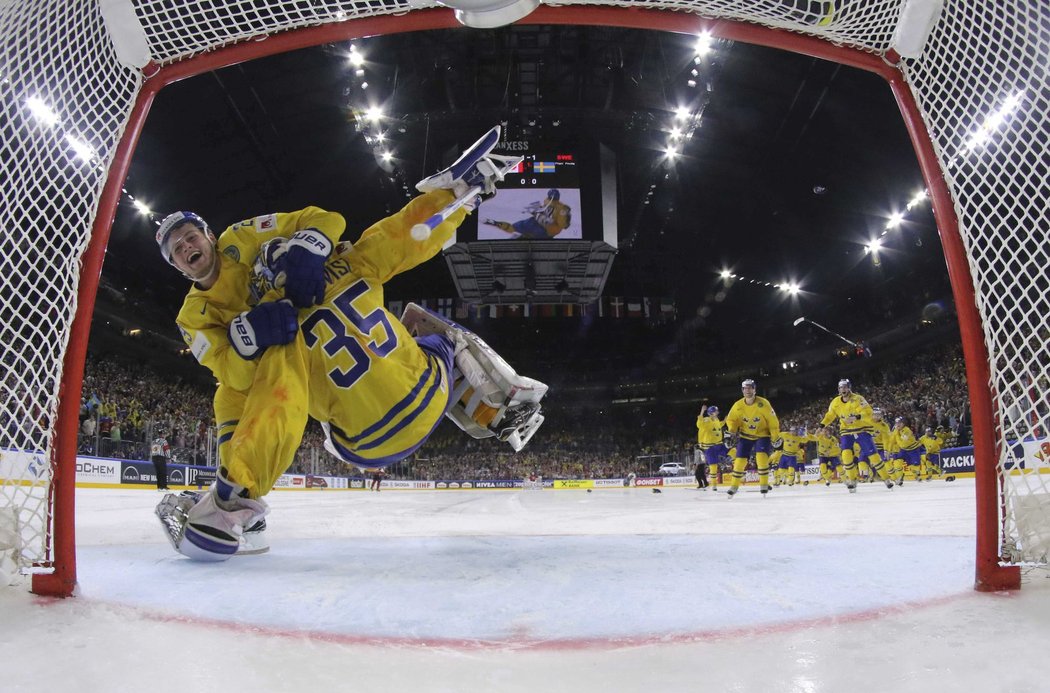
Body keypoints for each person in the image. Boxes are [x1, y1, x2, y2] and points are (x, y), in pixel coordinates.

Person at [154, 125, 546, 561]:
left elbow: (264, 394)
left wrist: (251, 339)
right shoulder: (346, 261)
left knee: (254, 392)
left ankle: (234, 502)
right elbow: (400, 236)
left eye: (189, 236)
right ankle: (500, 403)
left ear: (209, 237)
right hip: (428, 397)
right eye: (176, 248)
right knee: (422, 323)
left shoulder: (271, 332)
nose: (186, 245)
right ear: (176, 265)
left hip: (361, 445)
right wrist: (456, 198)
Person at [819, 379, 894, 493]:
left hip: (862, 429)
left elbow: (868, 412)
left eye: (845, 387)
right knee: (846, 455)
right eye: (841, 387)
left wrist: (856, 417)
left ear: (849, 388)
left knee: (873, 456)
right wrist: (822, 425)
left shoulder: (858, 398)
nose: (843, 389)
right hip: (846, 431)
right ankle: (853, 480)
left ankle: (886, 479)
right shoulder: (835, 402)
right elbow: (830, 415)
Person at [724, 379, 780, 497]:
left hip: (762, 435)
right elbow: (731, 420)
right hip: (745, 436)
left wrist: (775, 437)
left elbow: (772, 421)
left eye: (750, 388)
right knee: (739, 462)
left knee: (761, 458)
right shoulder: (738, 405)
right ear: (742, 390)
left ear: (754, 390)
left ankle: (764, 484)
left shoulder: (763, 403)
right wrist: (731, 431)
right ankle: (734, 486)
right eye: (745, 388)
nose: (747, 390)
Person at [482, 188, 572, 239]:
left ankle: (522, 237)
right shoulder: (547, 201)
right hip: (536, 222)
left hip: (547, 231)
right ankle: (497, 223)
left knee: (529, 236)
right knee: (515, 227)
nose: (550, 200)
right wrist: (536, 211)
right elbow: (542, 210)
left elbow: (561, 225)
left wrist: (563, 220)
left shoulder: (562, 209)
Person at [696, 404, 725, 490]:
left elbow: (719, 425)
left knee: (732, 452)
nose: (718, 412)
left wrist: (725, 420)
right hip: (709, 447)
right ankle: (714, 485)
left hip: (718, 444)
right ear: (711, 413)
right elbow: (699, 424)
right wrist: (702, 412)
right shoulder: (706, 420)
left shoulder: (716, 420)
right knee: (713, 466)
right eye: (716, 411)